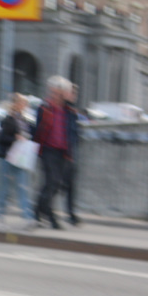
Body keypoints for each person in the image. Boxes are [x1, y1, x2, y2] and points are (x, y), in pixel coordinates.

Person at [32, 75, 78, 230]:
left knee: (53, 185)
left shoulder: (70, 112)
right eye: (63, 90)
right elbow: (37, 129)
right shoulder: (44, 108)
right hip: (48, 151)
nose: (66, 93)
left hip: (63, 153)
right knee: (53, 183)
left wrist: (71, 153)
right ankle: (48, 216)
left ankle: (40, 211)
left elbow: (73, 133)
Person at [0, 93, 35, 229]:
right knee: (5, 187)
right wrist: (15, 139)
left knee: (22, 187)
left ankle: (27, 217)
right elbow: (2, 137)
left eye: (25, 103)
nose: (25, 106)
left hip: (20, 158)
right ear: (16, 104)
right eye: (23, 103)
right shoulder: (8, 119)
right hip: (8, 157)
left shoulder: (24, 120)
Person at [62, 83, 83, 226]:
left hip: (70, 154)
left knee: (70, 186)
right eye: (71, 93)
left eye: (75, 94)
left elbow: (74, 133)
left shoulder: (72, 112)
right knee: (54, 186)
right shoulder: (62, 111)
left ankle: (71, 214)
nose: (74, 96)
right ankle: (43, 210)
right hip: (61, 154)